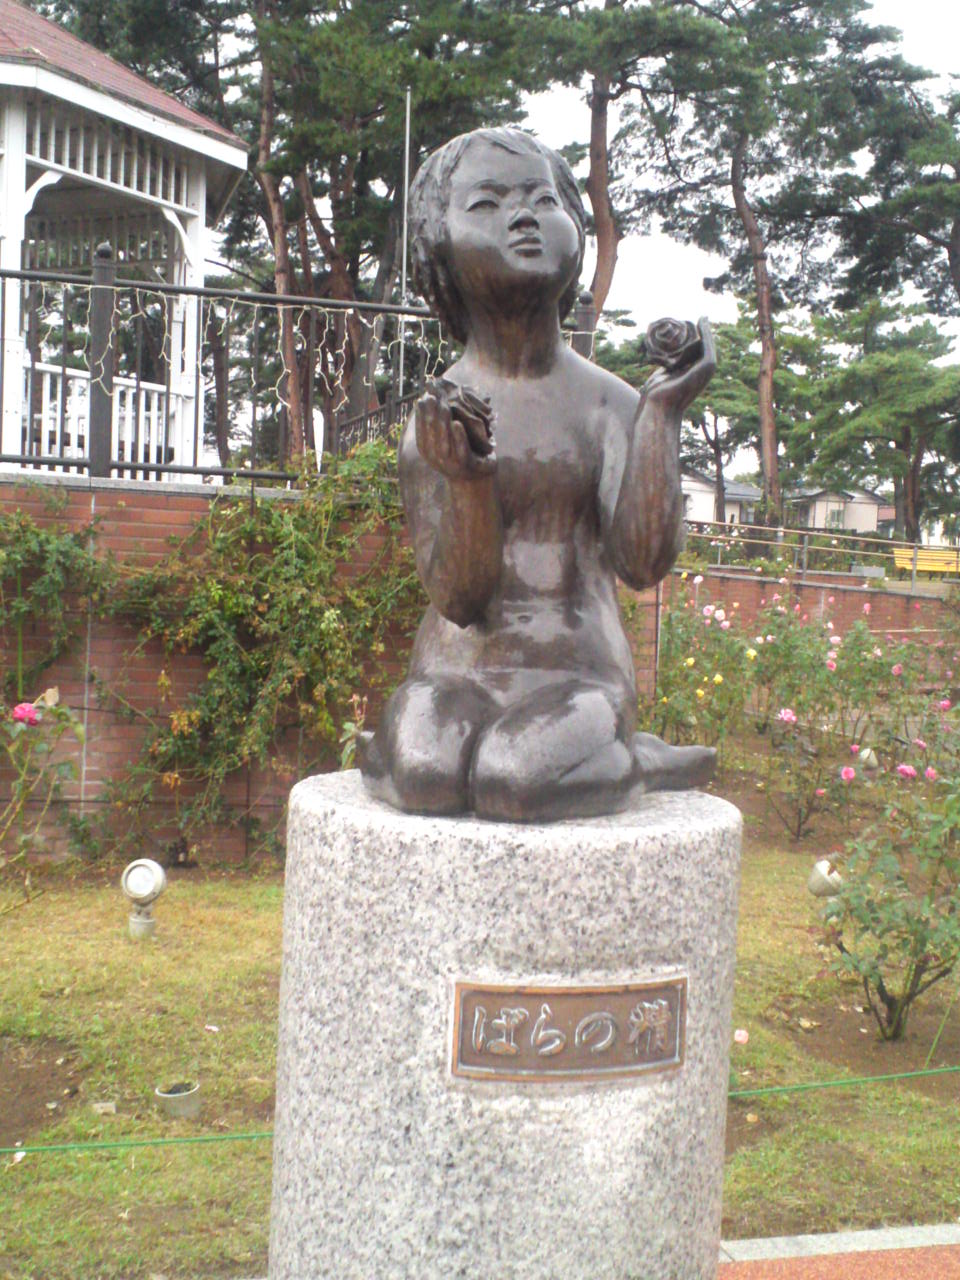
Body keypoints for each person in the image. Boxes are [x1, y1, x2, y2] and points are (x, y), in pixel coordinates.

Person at [360, 127, 715, 821]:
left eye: (542, 200)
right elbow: (460, 599)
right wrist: (468, 483)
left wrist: (661, 416)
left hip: (577, 676)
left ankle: (634, 758)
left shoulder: (610, 404)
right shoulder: (439, 418)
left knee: (515, 780)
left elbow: (643, 564)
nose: (523, 216)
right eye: (487, 203)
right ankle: (394, 751)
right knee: (427, 773)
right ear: (438, 247)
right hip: (455, 668)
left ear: (575, 231)